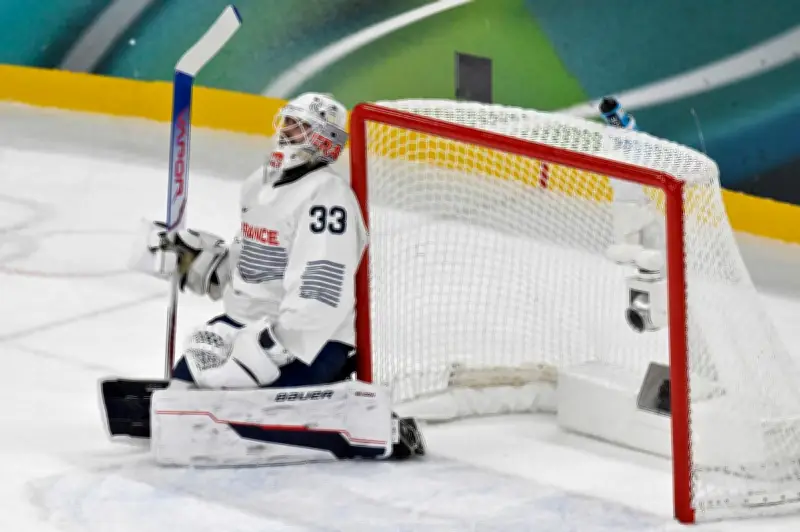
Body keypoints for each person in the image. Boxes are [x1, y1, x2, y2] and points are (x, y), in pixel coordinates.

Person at [123, 93, 425, 464]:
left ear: (323, 140)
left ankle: (370, 428)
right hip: (243, 325)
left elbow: (321, 289)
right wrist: (199, 263)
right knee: (184, 389)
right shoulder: (258, 185)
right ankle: (220, 408)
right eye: (286, 122)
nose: (286, 132)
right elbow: (252, 261)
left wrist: (270, 349)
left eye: (299, 127)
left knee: (237, 404)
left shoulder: (327, 198)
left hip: (311, 341)